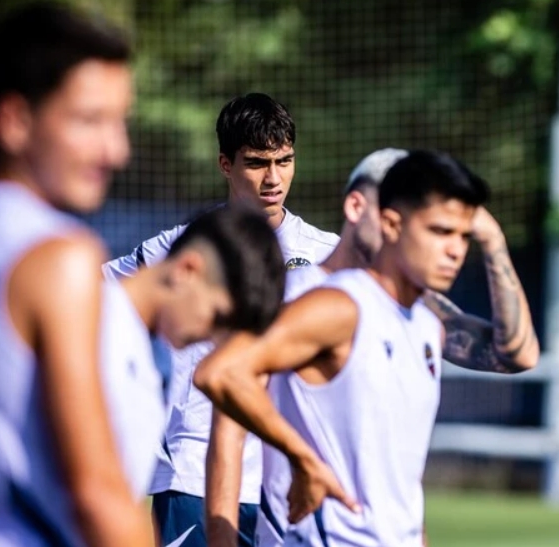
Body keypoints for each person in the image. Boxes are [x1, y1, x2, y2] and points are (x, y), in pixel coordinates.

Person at [203, 148, 540, 546]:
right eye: (439, 231)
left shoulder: (426, 325)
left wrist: (493, 237)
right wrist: (305, 459)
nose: (455, 249)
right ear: (391, 223)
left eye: (463, 235)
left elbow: (398, 479)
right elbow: (221, 374)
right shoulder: (338, 304)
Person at [103, 93, 339, 547]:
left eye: (284, 161)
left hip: (286, 481)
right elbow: (88, 299)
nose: (274, 178)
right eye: (256, 163)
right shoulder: (181, 248)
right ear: (225, 165)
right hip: (192, 475)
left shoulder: (328, 255)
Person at [0, 3, 147, 546]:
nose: (116, 150)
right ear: (15, 121)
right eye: (89, 120)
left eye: (119, 121)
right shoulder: (62, 258)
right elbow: (96, 493)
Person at [102, 205, 287, 501]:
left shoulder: (152, 363)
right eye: (217, 317)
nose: (213, 341)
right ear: (187, 269)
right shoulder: (87, 327)